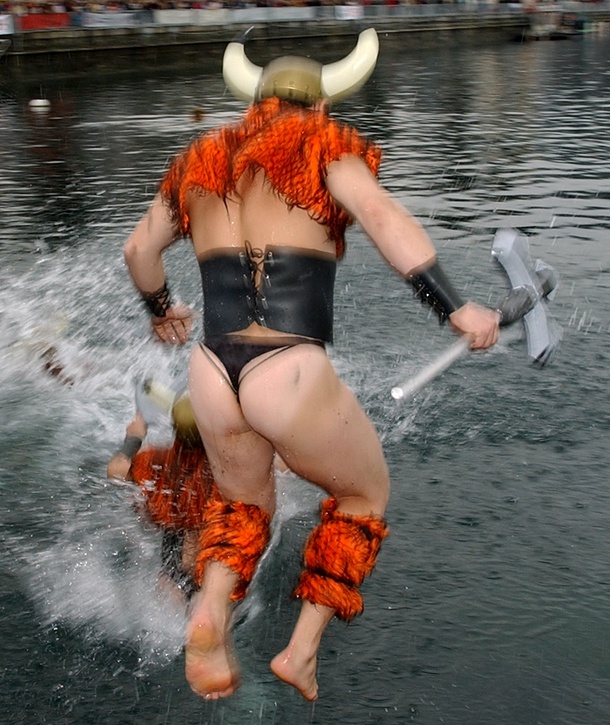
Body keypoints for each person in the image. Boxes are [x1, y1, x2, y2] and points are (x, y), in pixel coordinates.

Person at [121, 28, 500, 702]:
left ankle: (209, 612)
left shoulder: (199, 160)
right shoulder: (324, 145)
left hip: (211, 369)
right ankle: (300, 651)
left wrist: (160, 308)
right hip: (285, 363)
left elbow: (138, 250)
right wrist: (456, 308)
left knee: (241, 504)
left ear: (254, 103)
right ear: (320, 106)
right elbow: (381, 215)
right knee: (362, 497)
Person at [106, 385, 219, 600]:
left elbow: (115, 471)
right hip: (207, 549)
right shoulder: (224, 467)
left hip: (173, 547)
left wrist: (135, 437)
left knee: (142, 500)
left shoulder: (156, 461)